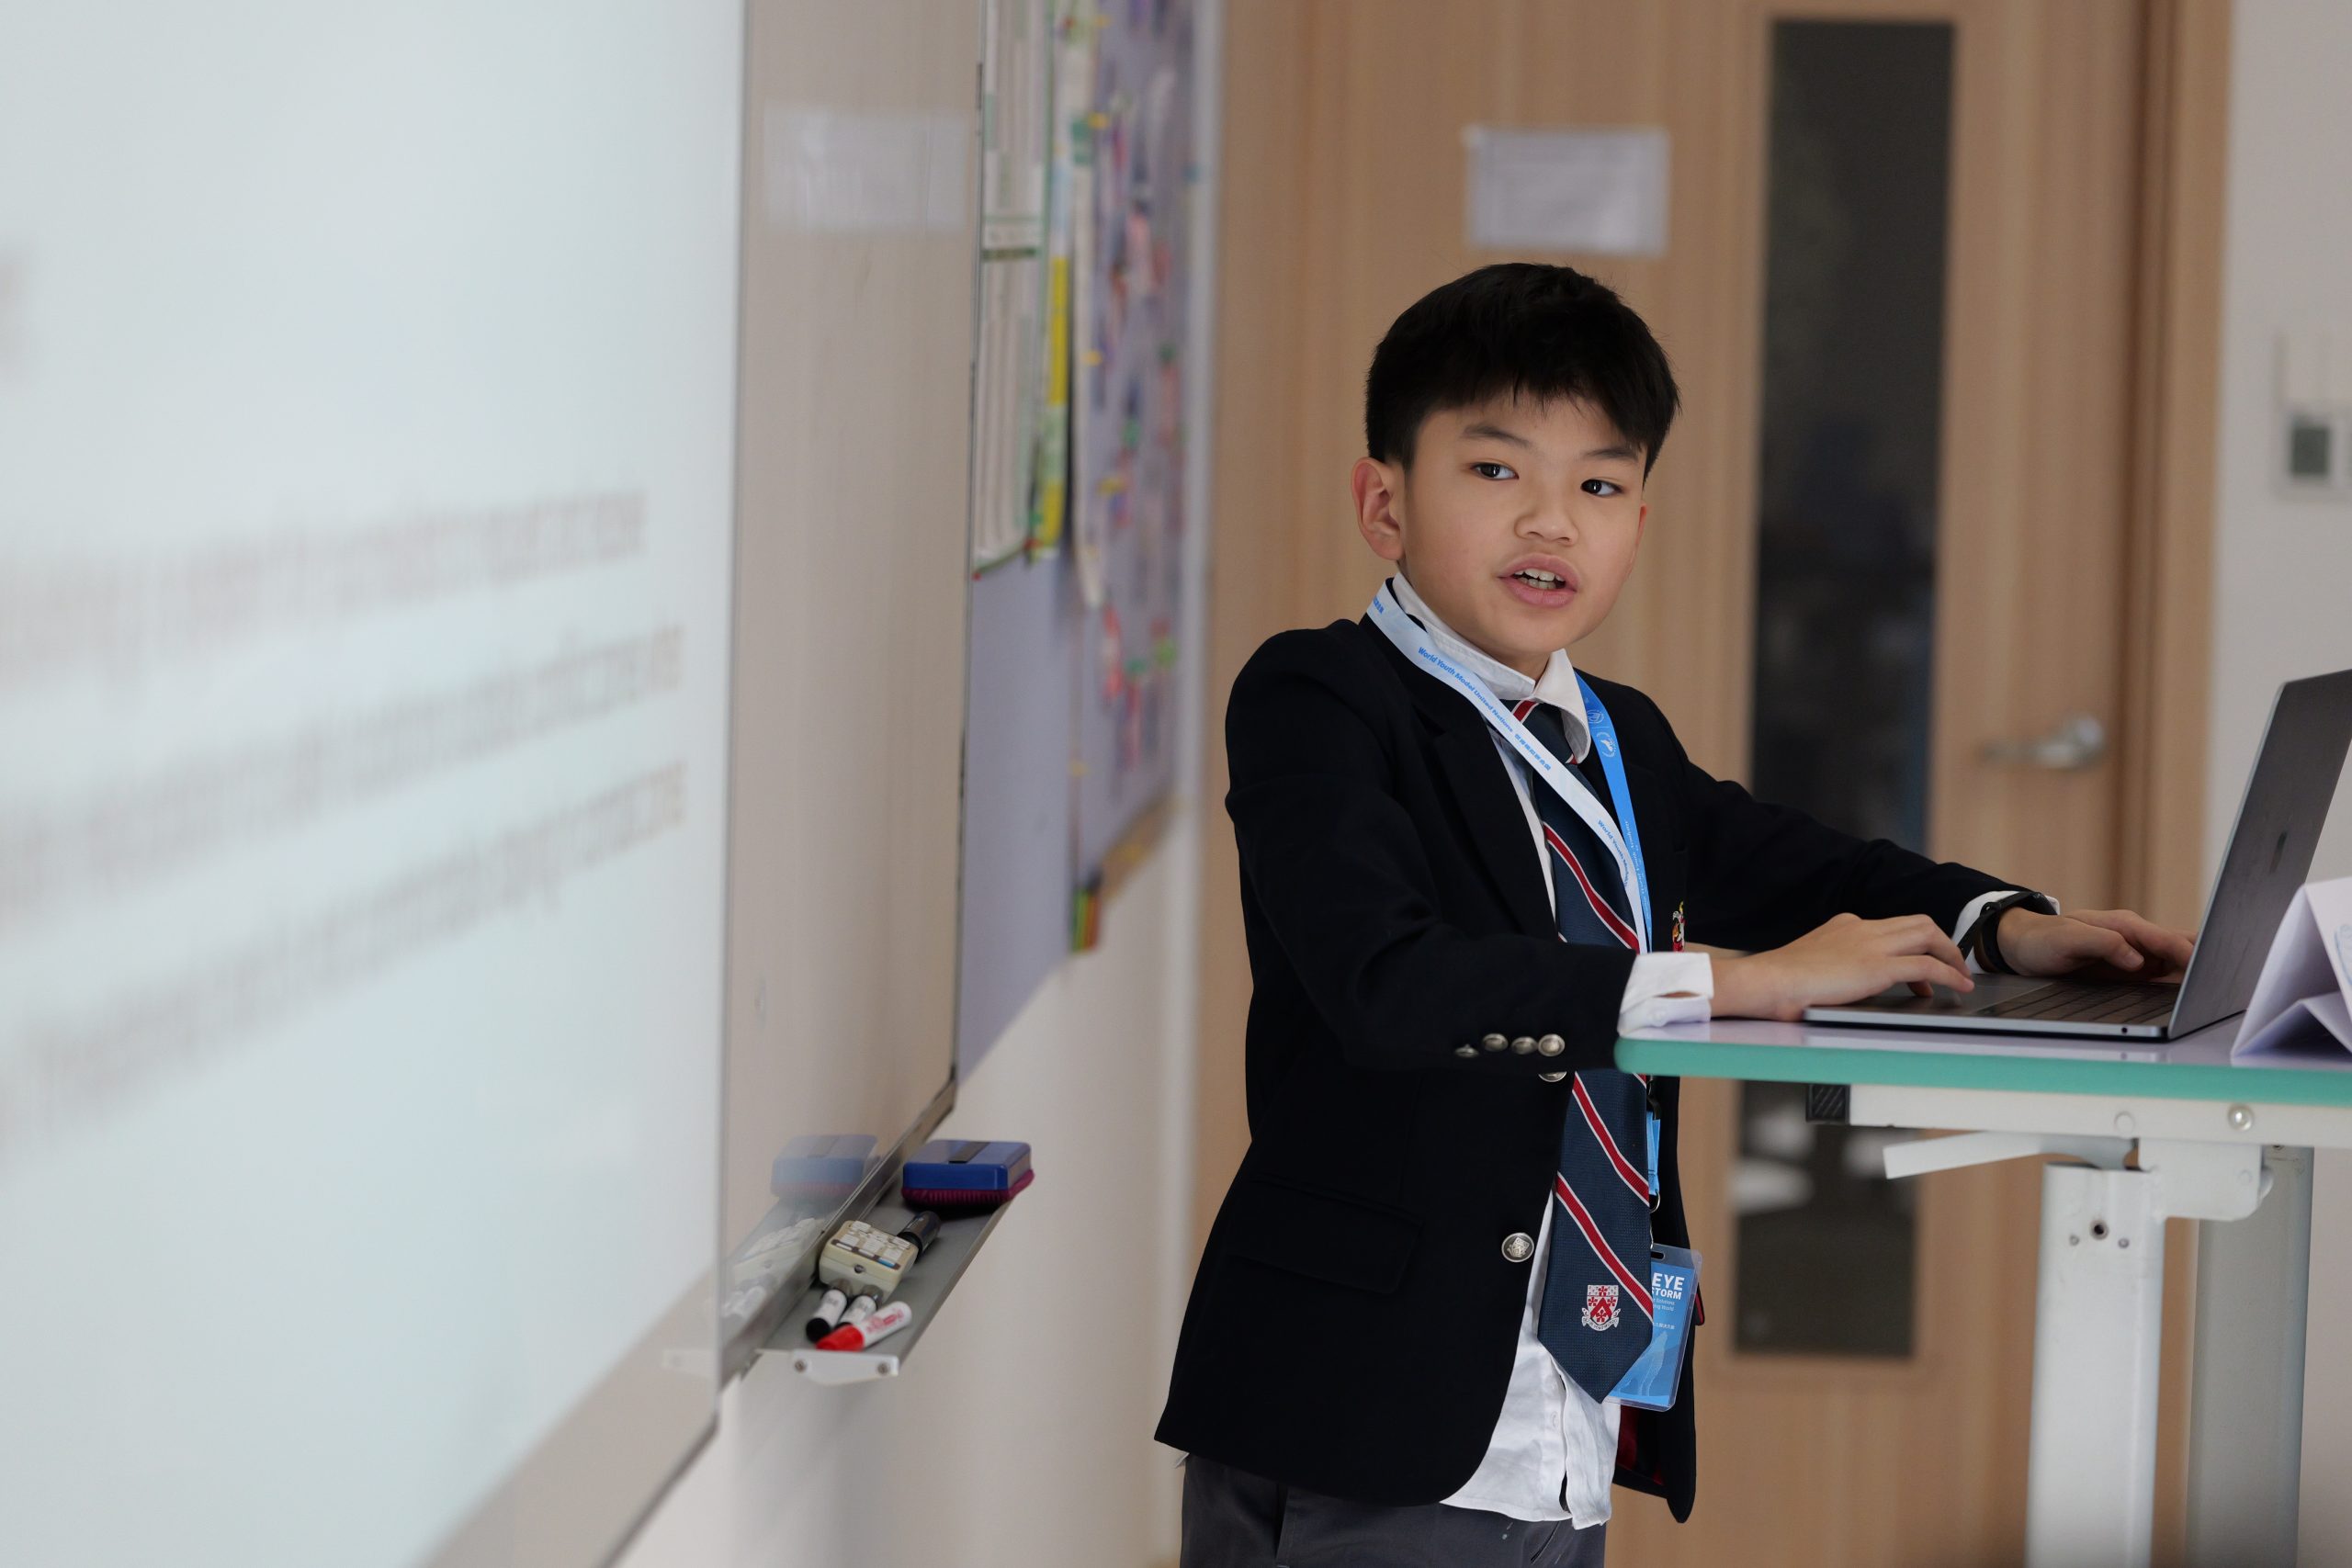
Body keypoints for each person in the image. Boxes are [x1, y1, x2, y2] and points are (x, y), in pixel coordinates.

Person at [1155, 263, 2195, 1568]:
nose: (1552, 521)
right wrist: (1730, 981)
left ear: (1640, 519)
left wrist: (2002, 926)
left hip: (1562, 1400)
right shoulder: (1322, 698)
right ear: (1384, 501)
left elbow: (1801, 865)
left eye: (1599, 486)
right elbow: (1390, 984)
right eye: (1495, 470)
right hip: (1363, 1401)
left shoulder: (1614, 735)